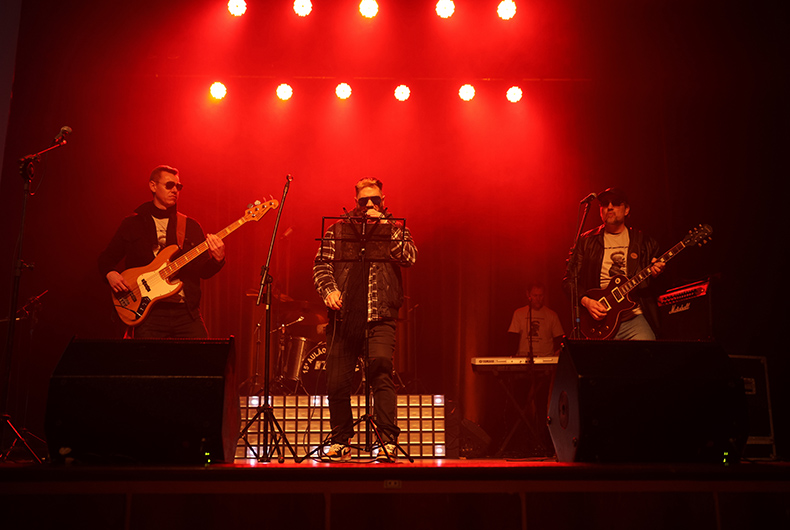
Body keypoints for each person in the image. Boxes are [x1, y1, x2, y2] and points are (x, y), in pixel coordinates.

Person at [313, 177, 417, 462]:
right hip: (343, 319)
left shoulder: (394, 230)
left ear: (384, 201)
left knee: (381, 373)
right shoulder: (338, 230)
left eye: (375, 200)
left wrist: (385, 226)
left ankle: (387, 441)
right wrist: (329, 290)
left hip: (379, 315)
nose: (369, 204)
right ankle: (341, 440)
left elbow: (409, 258)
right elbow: (321, 264)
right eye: (364, 200)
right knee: (337, 382)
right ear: (355, 202)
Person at [98, 165, 226, 338]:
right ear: (153, 186)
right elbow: (106, 258)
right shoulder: (132, 224)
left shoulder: (190, 226)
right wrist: (110, 274)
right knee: (148, 357)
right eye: (169, 185)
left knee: (204, 354)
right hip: (149, 314)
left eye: (178, 187)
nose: (175, 190)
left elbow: (203, 271)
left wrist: (217, 260)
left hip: (186, 311)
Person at [562, 187, 664, 340]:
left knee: (647, 349)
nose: (609, 207)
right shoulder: (586, 241)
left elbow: (658, 286)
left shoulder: (643, 242)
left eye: (616, 203)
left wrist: (658, 273)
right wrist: (587, 302)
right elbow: (569, 280)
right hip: (598, 321)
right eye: (604, 204)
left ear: (627, 209)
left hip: (633, 317)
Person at [507, 282, 564, 357]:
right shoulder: (519, 313)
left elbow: (559, 338)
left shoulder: (552, 315)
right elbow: (513, 338)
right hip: (524, 357)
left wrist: (558, 351)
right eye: (535, 295)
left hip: (546, 357)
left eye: (540, 295)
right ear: (528, 295)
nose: (538, 299)